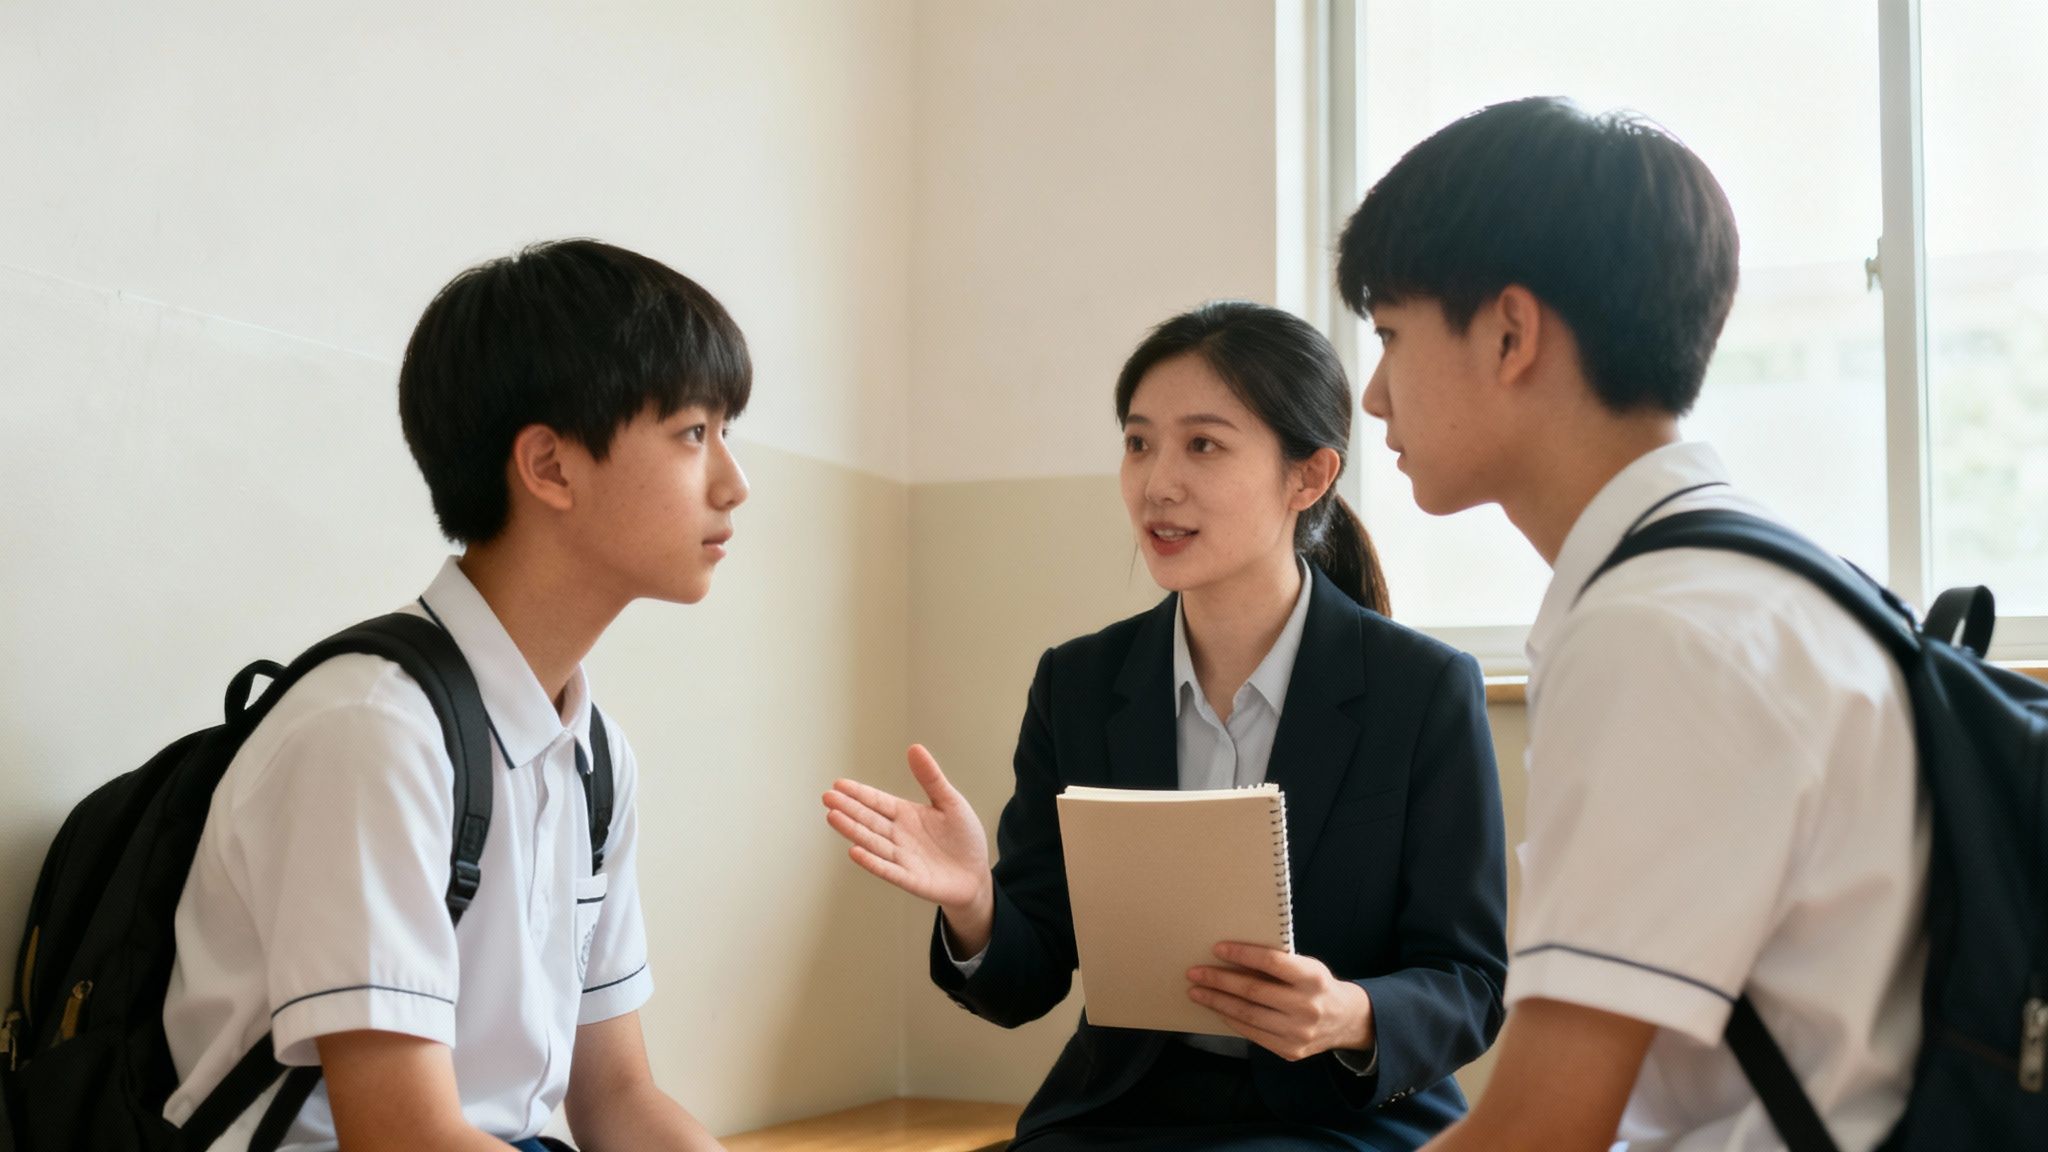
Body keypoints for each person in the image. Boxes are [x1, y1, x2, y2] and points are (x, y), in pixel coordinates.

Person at [1338, 97, 1926, 1152]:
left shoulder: (1655, 635)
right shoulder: (1767, 580)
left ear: (1510, 332)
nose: (1372, 395)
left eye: (1388, 335)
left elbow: (1539, 1132)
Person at [824, 301, 1507, 1151]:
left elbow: (1468, 980)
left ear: (1309, 476)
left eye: (1204, 445)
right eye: (1139, 442)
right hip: (1120, 1116)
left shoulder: (1424, 690)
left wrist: (1351, 1013)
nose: (1157, 483)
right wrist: (975, 903)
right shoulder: (1077, 683)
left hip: (1340, 1122)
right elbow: (1025, 980)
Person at [162, 239, 743, 1151]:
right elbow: (404, 1138)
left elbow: (619, 1099)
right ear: (549, 466)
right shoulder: (374, 732)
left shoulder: (592, 757)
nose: (733, 483)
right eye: (694, 433)